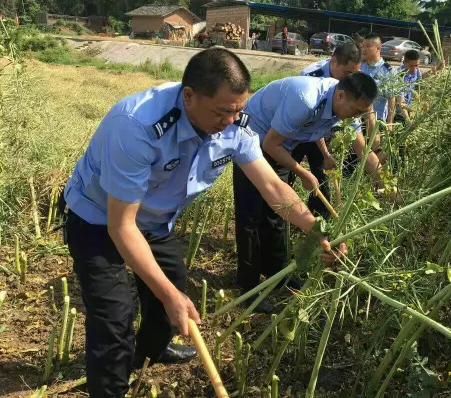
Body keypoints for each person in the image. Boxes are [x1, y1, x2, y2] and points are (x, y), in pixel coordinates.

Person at [60, 48, 341, 398]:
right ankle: (111, 389)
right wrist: (170, 296)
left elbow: (272, 187)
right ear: (189, 96)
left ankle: (151, 350)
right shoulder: (137, 126)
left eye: (239, 110)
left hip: (154, 221)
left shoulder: (234, 122)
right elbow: (122, 227)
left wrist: (315, 229)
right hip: (99, 220)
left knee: (174, 281)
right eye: (223, 112)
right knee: (115, 317)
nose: (231, 120)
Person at [233, 73, 378, 310]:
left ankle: (277, 273)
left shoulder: (345, 106)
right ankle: (249, 286)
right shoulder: (305, 98)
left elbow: (348, 141)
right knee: (251, 214)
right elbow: (270, 144)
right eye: (355, 111)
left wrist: (380, 178)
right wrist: (302, 171)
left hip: (283, 143)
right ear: (341, 96)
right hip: (253, 137)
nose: (356, 117)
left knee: (278, 211)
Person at [294, 43, 363, 217]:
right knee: (286, 174)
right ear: (334, 62)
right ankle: (286, 215)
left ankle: (320, 218)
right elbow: (309, 122)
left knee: (321, 175)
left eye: (355, 73)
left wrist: (325, 154)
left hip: (321, 132)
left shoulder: (349, 84)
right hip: (297, 131)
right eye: (348, 73)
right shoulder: (310, 78)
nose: (351, 78)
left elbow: (352, 125)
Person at [358, 33, 396, 162]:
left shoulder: (388, 71)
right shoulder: (360, 68)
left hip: (378, 122)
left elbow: (391, 98)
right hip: (359, 120)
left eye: (368, 46)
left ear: (378, 48)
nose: (364, 49)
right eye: (363, 46)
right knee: (358, 156)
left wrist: (390, 122)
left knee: (376, 155)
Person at [395, 49, 422, 126]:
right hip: (397, 112)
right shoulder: (398, 75)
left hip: (407, 109)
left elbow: (421, 79)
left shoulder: (416, 71)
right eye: (411, 66)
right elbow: (401, 102)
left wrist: (437, 69)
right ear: (404, 63)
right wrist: (408, 120)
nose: (414, 69)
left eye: (416, 65)